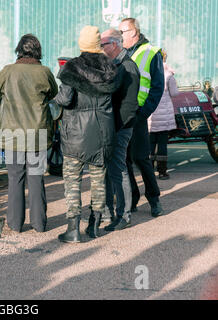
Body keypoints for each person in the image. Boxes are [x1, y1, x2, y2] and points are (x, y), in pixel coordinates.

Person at [53, 26, 123, 242]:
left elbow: (64, 100)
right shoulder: (111, 69)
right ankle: (94, 226)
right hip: (102, 133)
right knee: (98, 180)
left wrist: (53, 101)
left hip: (75, 133)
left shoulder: (73, 67)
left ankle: (73, 228)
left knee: (73, 180)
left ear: (81, 43)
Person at [0, 34, 58, 233]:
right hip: (37, 134)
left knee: (15, 178)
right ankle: (39, 223)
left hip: (12, 134)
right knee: (36, 178)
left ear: (19, 50)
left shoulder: (9, 70)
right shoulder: (44, 72)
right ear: (38, 51)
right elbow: (53, 93)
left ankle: (15, 224)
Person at [119, 18, 165, 217]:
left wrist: (144, 112)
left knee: (141, 158)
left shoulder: (151, 52)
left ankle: (154, 199)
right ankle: (133, 198)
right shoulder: (122, 54)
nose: (120, 35)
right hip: (122, 115)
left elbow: (157, 87)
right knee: (125, 160)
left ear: (133, 32)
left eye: (122, 31)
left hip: (137, 114)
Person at [100, 29, 140, 231]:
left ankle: (124, 215)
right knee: (110, 169)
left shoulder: (127, 67)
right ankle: (109, 211)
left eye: (103, 44)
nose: (101, 48)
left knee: (119, 169)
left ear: (114, 44)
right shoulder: (117, 65)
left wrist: (116, 126)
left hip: (120, 127)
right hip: (113, 126)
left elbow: (129, 105)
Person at [148, 49, 179, 180]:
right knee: (162, 145)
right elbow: (174, 93)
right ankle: (162, 171)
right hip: (165, 115)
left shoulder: (148, 73)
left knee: (150, 144)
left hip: (151, 114)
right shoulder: (168, 75)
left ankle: (148, 170)